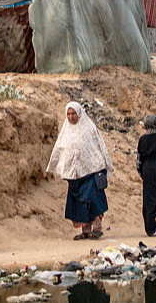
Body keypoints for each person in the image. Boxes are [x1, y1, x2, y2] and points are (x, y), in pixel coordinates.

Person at [46, 101, 112, 240]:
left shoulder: (89, 128)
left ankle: (97, 228)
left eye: (73, 114)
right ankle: (85, 230)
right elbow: (59, 149)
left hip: (91, 171)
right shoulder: (66, 131)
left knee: (93, 200)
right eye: (68, 114)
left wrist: (103, 164)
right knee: (79, 203)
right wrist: (55, 165)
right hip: (74, 174)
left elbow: (99, 145)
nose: (71, 117)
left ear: (79, 113)